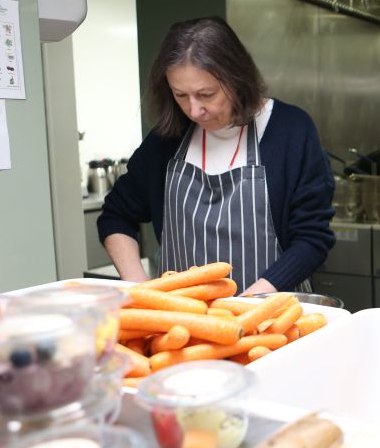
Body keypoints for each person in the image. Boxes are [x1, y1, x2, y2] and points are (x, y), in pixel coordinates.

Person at [98, 17, 335, 295]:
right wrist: (139, 288)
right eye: (181, 95)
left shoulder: (290, 130)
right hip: (184, 325)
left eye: (206, 94)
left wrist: (249, 304)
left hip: (270, 318)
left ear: (237, 80)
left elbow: (312, 238)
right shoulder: (167, 140)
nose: (194, 110)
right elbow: (115, 215)